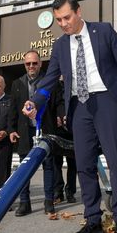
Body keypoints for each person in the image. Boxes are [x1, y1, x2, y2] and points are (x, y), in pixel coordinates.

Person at [23, 0, 117, 233]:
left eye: (66, 17)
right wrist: (35, 101)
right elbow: (49, 81)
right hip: (80, 107)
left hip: (107, 101)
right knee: (84, 164)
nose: (63, 23)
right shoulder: (60, 46)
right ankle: (93, 220)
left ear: (78, 11)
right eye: (58, 20)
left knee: (115, 161)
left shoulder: (104, 31)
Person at [10, 50, 60, 216]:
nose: (31, 66)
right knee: (24, 169)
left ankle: (49, 201)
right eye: (28, 63)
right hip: (25, 132)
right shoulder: (17, 83)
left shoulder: (50, 81)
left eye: (34, 63)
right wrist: (11, 130)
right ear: (25, 65)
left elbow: (59, 102)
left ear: (40, 64)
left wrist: (61, 116)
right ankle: (25, 203)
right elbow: (13, 110)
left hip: (46, 130)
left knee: (49, 166)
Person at [53, 76, 77, 204]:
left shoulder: (74, 84)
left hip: (72, 130)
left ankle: (70, 192)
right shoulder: (53, 85)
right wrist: (54, 117)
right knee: (56, 163)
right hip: (57, 130)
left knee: (72, 164)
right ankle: (58, 192)